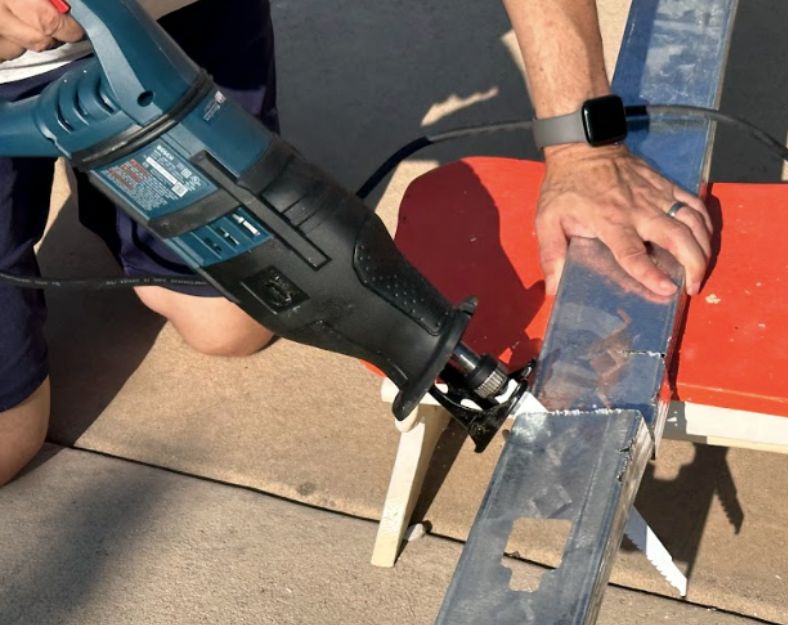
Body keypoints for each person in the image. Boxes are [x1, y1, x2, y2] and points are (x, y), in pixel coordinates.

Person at [0, 0, 712, 486]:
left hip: (164, 22)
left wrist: (582, 145)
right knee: (10, 440)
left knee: (231, 322)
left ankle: (111, 183)